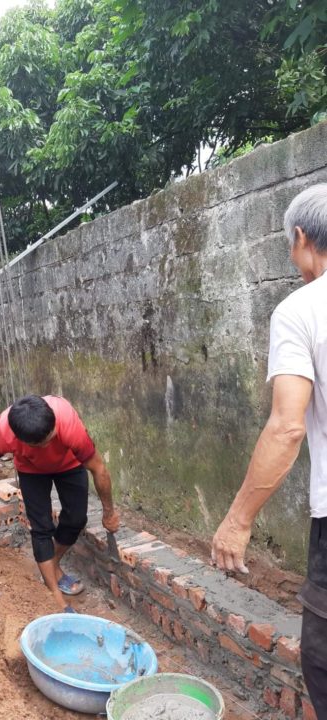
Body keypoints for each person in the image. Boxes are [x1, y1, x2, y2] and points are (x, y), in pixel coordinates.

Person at [211, 184, 327, 717]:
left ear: (301, 238)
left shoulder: (302, 310)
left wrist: (236, 520)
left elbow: (287, 426)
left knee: (322, 660)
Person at [0, 394, 120, 611]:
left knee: (76, 519)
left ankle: (52, 564)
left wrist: (109, 511)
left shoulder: (66, 422)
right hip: (31, 470)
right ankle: (55, 595)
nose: (54, 437)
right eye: (48, 440)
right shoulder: (1, 431)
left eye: (53, 433)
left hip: (69, 465)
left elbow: (99, 468)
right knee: (41, 529)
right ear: (24, 441)